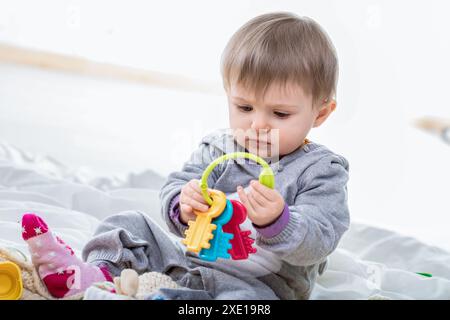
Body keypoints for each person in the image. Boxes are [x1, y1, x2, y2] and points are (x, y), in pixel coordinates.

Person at [21, 12, 350, 300]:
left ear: (320, 114)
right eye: (244, 107)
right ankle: (93, 276)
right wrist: (183, 204)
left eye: (280, 113)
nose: (258, 124)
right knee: (129, 224)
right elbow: (178, 184)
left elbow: (320, 239)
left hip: (258, 283)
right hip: (188, 258)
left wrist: (279, 221)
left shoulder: (320, 171)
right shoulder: (220, 149)